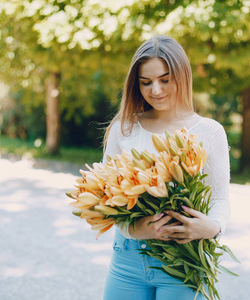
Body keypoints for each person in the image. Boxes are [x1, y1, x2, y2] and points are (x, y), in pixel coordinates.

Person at [102, 35, 230, 300]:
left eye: (165, 79)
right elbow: (106, 197)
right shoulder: (123, 128)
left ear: (182, 75)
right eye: (146, 82)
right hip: (128, 261)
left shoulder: (209, 132)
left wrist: (213, 227)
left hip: (184, 262)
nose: (156, 90)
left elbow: (219, 198)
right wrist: (134, 229)